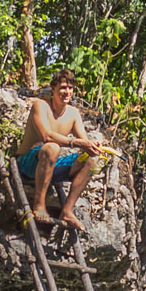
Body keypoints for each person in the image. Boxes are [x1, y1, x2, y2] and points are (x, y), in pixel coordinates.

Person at [16, 69, 107, 231]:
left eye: (70, 88)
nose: (67, 92)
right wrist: (76, 142)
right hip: (27, 164)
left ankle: (67, 210)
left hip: (51, 165)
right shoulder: (41, 105)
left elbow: (84, 142)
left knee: (91, 160)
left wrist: (93, 147)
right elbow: (47, 136)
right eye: (63, 87)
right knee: (52, 147)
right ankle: (39, 205)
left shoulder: (73, 113)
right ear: (54, 89)